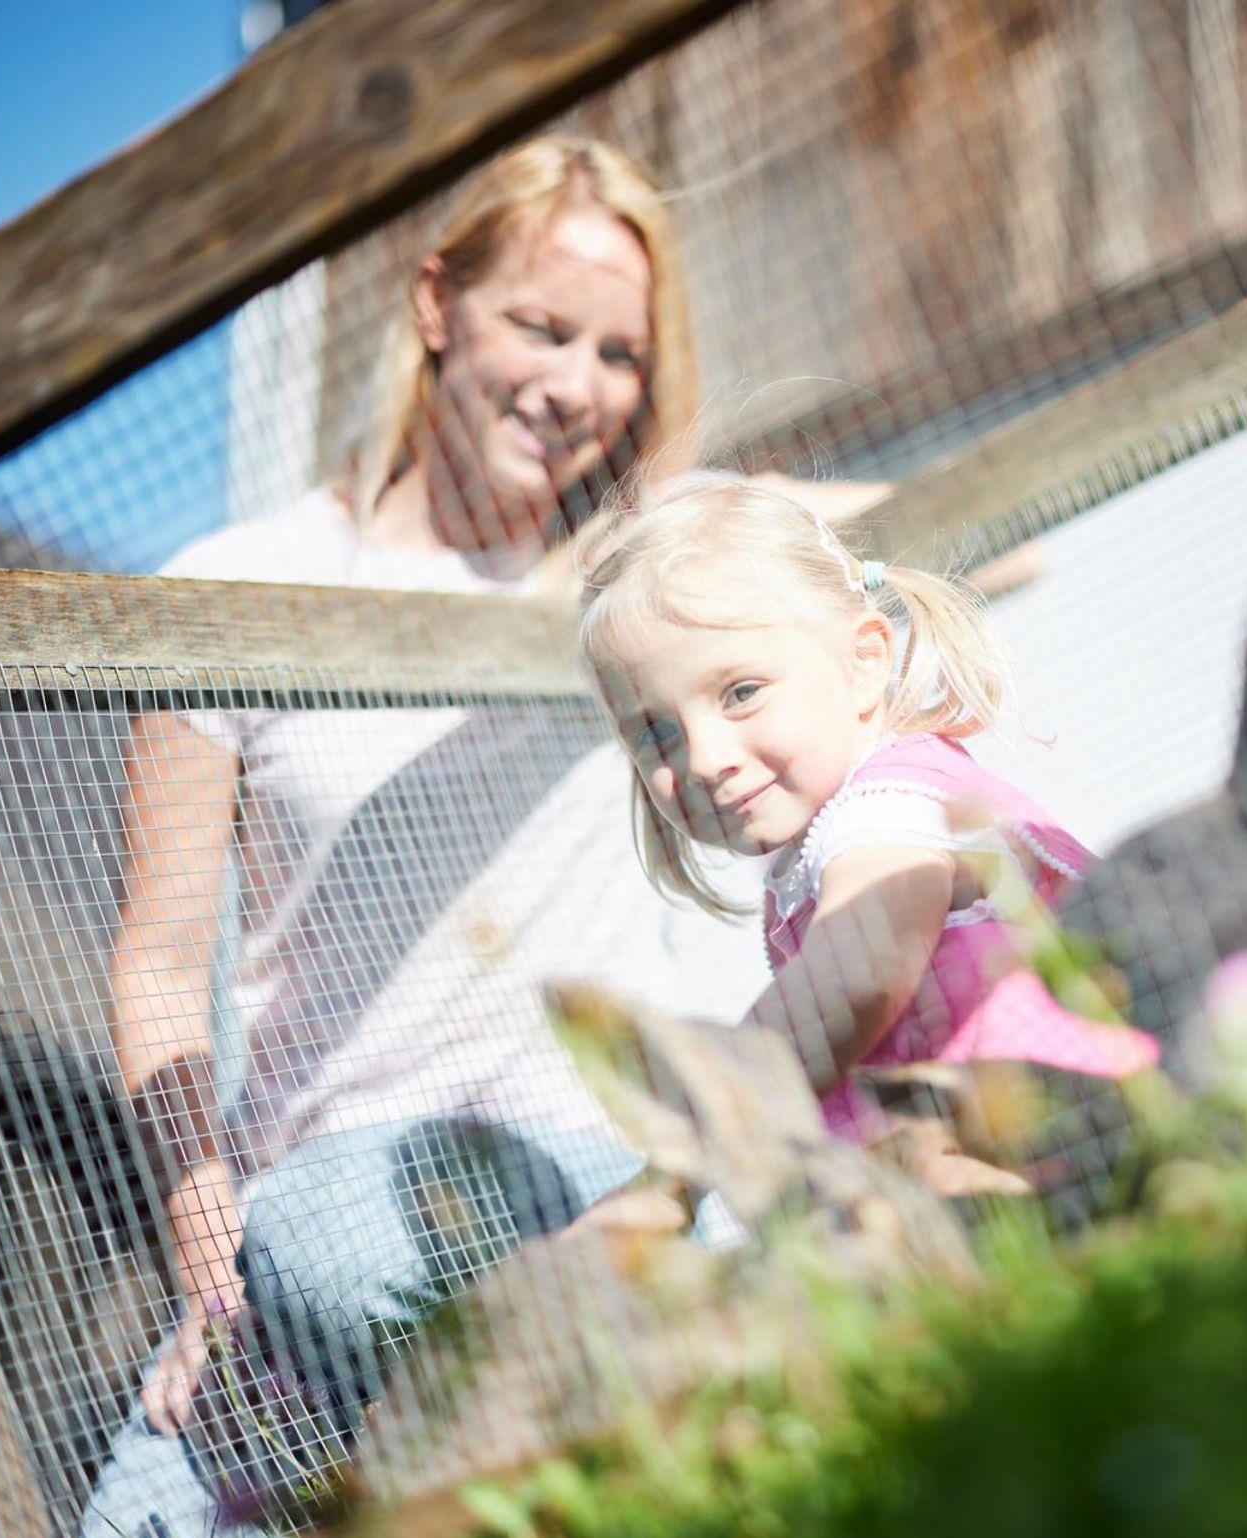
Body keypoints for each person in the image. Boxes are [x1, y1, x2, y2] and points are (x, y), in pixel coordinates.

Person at [83, 134, 777, 1537]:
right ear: (435, 304)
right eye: (541, 326)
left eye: (620, 355)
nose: (576, 385)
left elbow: (836, 547)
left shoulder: (631, 587)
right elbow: (157, 962)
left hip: (588, 1179)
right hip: (324, 1232)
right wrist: (213, 1261)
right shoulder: (234, 590)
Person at [575, 473, 1159, 1185]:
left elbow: (858, 977)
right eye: (655, 733)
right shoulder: (830, 838)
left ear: (862, 664)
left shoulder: (890, 808)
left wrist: (694, 1135)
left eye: (741, 693)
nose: (702, 758)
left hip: (1099, 1147)